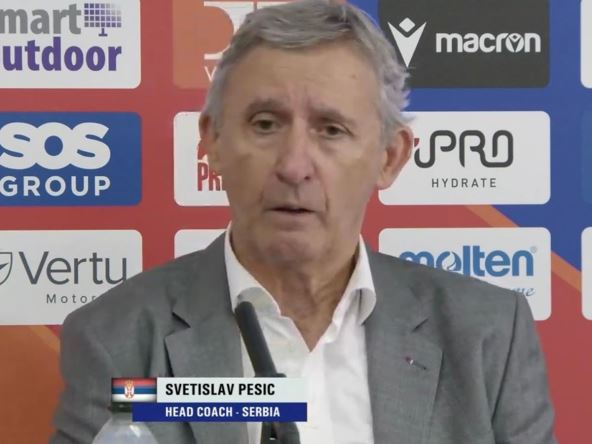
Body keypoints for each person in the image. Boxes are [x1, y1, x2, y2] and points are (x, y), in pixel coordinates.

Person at [51, 1, 557, 443]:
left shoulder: (487, 335)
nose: (294, 166)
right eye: (265, 124)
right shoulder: (117, 340)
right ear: (213, 142)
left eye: (331, 130)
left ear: (389, 157)